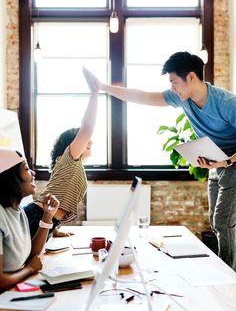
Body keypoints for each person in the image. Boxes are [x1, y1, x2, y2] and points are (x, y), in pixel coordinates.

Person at [82, 52, 236, 271]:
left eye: (174, 82)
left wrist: (227, 162)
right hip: (217, 160)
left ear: (191, 77)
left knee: (222, 220)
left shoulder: (227, 103)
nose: (172, 88)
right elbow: (142, 97)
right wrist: (102, 87)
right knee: (215, 220)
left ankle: (229, 275)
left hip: (233, 162)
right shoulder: (182, 98)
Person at [24, 67, 98, 238]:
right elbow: (87, 128)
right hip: (36, 217)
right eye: (85, 140)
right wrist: (94, 94)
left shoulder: (72, 165)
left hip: (46, 221)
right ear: (73, 143)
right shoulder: (69, 158)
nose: (90, 141)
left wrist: (54, 228)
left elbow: (59, 192)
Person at [0, 148, 59, 291]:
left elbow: (30, 254)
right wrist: (29, 269)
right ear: (10, 178)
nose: (33, 173)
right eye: (26, 169)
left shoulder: (18, 210)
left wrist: (48, 216)